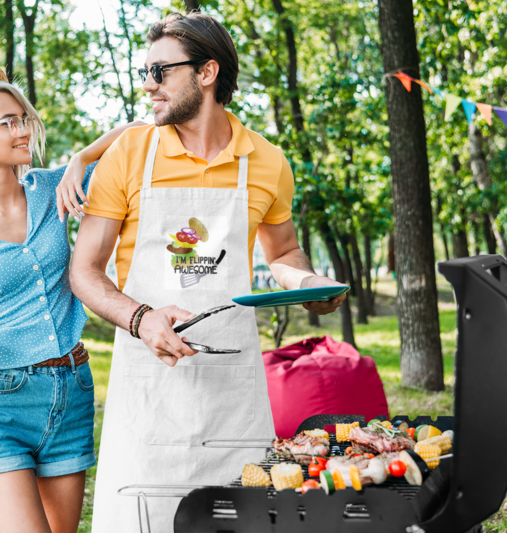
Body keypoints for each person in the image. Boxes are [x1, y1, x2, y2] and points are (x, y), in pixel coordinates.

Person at [69, 13, 346, 532]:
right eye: (144, 71)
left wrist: (309, 286)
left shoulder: (266, 161)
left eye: (159, 71)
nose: (146, 84)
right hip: (148, 394)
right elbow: (84, 272)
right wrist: (142, 319)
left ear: (206, 72)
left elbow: (283, 251)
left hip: (234, 398)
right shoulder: (129, 154)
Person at [0, 65, 144, 533]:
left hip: (72, 389)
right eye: (6, 122)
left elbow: (139, 129)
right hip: (0, 403)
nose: (22, 130)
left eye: (23, 118)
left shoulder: (50, 190)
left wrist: (82, 157)